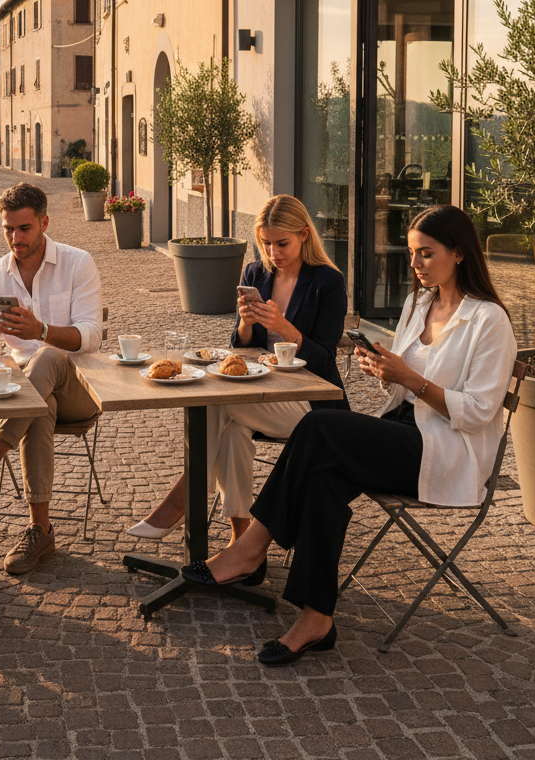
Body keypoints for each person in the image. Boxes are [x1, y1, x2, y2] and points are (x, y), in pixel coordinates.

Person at [180, 205, 517, 665]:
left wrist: (410, 379)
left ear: (459, 253)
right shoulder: (419, 304)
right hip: (399, 429)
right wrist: (382, 368)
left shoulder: (488, 320)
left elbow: (479, 413)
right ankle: (316, 620)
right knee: (322, 480)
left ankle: (252, 546)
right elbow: (400, 383)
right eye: (413, 253)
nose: (414, 263)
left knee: (319, 425)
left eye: (426, 254)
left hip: (445, 449)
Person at [128, 195, 349, 544]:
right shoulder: (255, 273)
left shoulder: (327, 282)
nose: (273, 252)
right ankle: (241, 540)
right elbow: (240, 349)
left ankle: (179, 501)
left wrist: (286, 328)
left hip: (312, 406)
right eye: (266, 242)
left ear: (305, 234)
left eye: (282, 243)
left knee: (218, 401)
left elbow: (325, 358)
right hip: (260, 392)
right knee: (231, 434)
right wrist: (246, 324)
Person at [0, 182, 102, 575]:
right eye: (8, 229)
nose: (15, 238)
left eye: (24, 228)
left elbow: (91, 337)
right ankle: (39, 529)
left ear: (44, 222)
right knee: (38, 403)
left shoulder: (78, 263)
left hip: (81, 385)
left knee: (45, 357)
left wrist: (41, 331)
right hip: (30, 394)